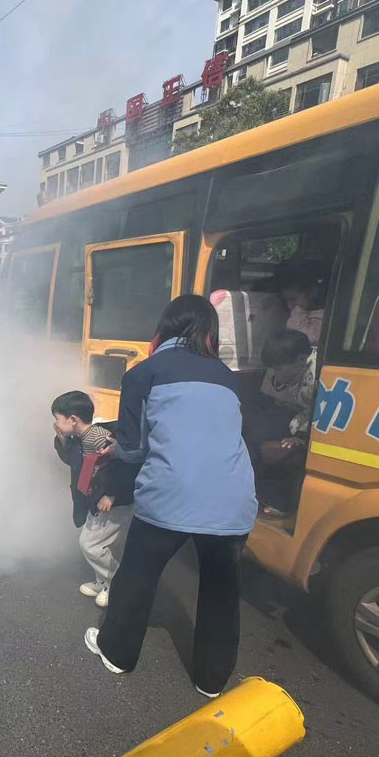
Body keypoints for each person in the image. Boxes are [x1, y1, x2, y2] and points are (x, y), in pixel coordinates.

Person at [85, 295, 256, 699]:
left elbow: (132, 446)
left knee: (138, 574)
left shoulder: (145, 372)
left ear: (165, 326)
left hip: (171, 494)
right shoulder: (229, 378)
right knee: (221, 588)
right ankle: (211, 679)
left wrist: (111, 449)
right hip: (233, 500)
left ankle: (116, 652)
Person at [51, 391, 136, 608]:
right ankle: (103, 580)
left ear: (73, 420)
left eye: (57, 419)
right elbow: (72, 462)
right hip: (94, 500)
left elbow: (123, 467)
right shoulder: (78, 439)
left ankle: (116, 584)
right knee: (97, 542)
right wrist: (61, 439)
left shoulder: (99, 438)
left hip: (113, 503)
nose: (56, 424)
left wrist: (112, 494)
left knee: (90, 544)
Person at [248, 329, 316, 517]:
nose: (275, 374)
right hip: (299, 417)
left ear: (301, 360)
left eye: (279, 369)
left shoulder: (316, 379)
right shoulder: (299, 370)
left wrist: (301, 439)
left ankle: (277, 500)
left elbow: (318, 413)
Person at [278, 266, 327, 345]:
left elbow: (309, 339)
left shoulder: (322, 317)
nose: (290, 305)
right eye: (286, 301)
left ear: (311, 292)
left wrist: (298, 314)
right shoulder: (297, 317)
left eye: (294, 299)